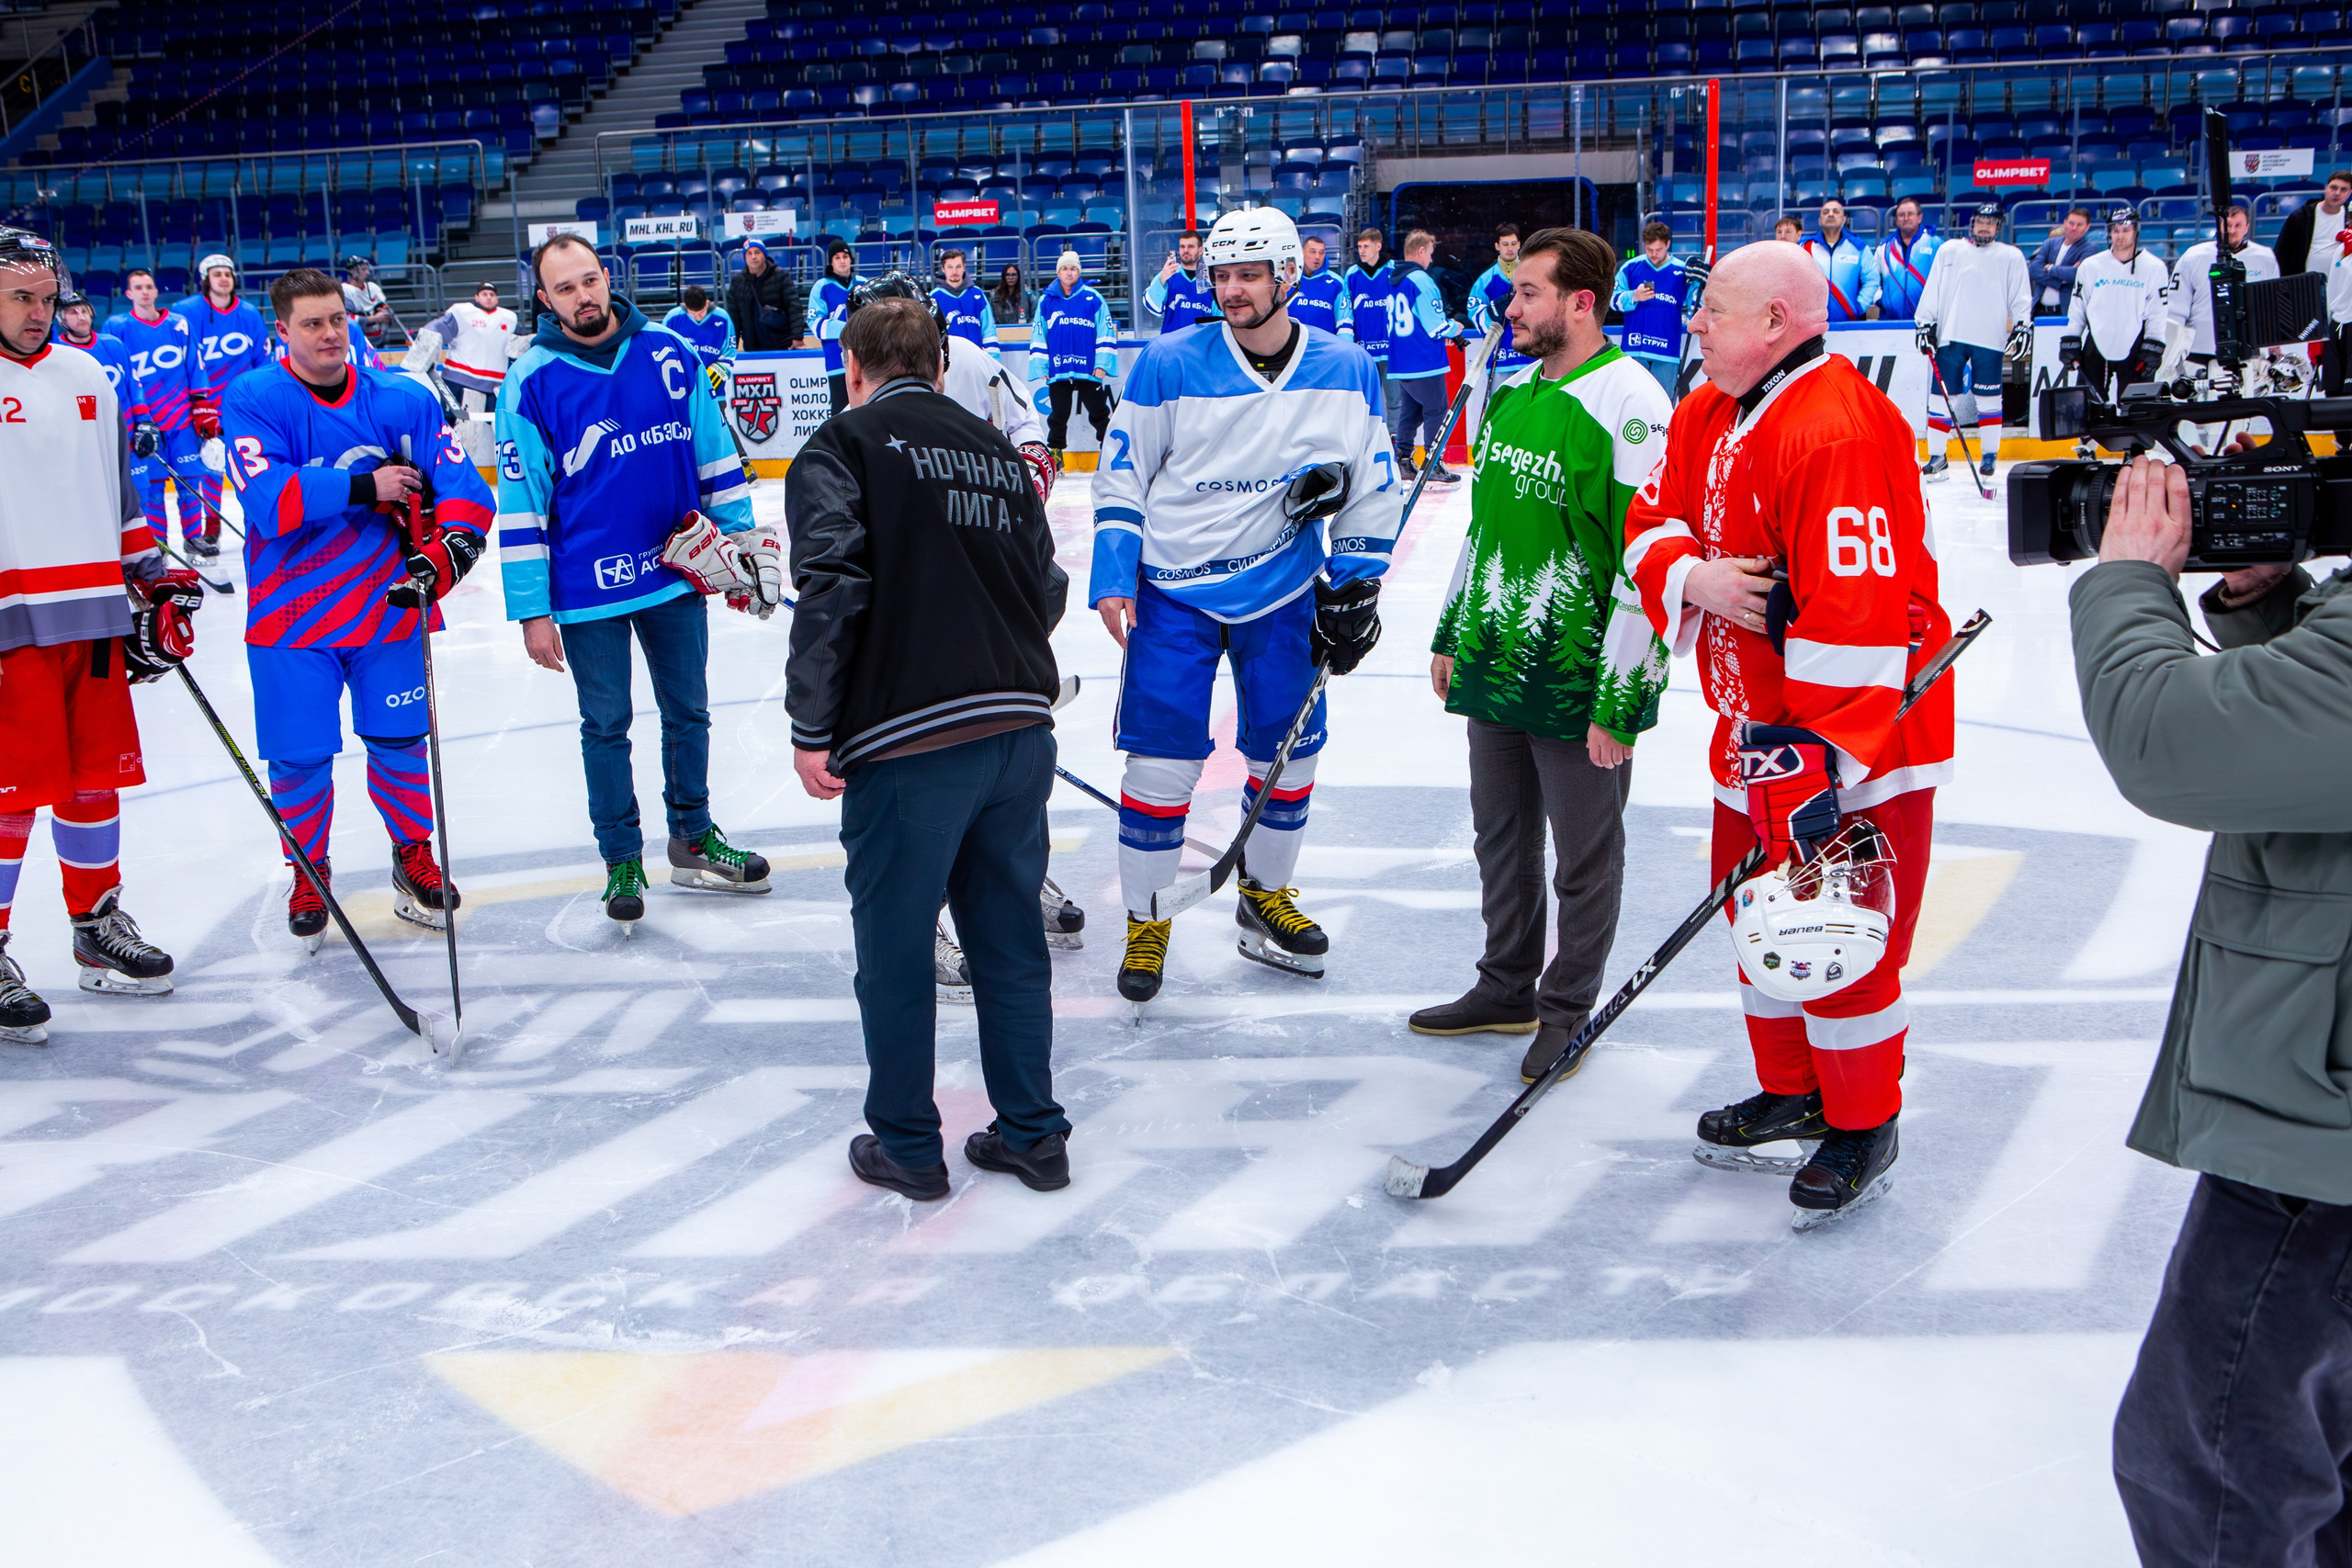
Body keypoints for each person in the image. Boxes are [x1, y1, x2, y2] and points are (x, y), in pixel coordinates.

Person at [1620, 240, 1953, 1226]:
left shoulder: (1838, 428)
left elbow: (1855, 617)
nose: (1692, 324)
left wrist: (1818, 766)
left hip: (1847, 747)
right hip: (1752, 729)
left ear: (1775, 323)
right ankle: (1796, 1087)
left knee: (1839, 929)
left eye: (1712, 309)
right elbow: (1652, 518)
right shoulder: (1707, 407)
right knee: (1758, 919)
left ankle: (1862, 1120)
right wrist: (1698, 580)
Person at [2069, 453, 2352, 1568]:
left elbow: (2169, 743)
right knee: (2314, 1444)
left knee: (2207, 1462)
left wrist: (2127, 580)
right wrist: (2264, 603)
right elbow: (2315, 726)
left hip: (2318, 1135)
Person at [784, 296, 1074, 1202]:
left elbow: (833, 589)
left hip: (911, 746)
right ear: (941, 367)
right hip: (1017, 732)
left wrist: (810, 728)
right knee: (1009, 942)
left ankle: (909, 1146)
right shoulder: (996, 452)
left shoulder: (842, 446)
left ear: (851, 366)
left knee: (898, 949)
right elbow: (1047, 583)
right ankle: (1033, 1134)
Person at [1090, 209, 1401, 1004]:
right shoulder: (1168, 362)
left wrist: (1356, 585)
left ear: (1286, 277)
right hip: (1173, 592)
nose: (1231, 290)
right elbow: (1123, 474)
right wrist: (1114, 573)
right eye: (1221, 276)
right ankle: (1148, 918)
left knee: (1288, 756)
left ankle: (1263, 896)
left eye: (1248, 275)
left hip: (1285, 590)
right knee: (1160, 764)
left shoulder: (1346, 368)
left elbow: (1370, 487)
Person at [1416, 226, 1674, 1083]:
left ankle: (1568, 1014)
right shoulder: (1514, 393)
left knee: (1584, 854)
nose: (1510, 305)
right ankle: (1506, 986)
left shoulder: (1634, 405)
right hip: (1495, 656)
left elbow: (1651, 563)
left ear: (1579, 302)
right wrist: (1453, 630)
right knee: (1502, 838)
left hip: (1579, 670)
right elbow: (1484, 524)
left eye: (1528, 292)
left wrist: (1622, 696)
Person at [495, 233, 775, 924]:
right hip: (587, 589)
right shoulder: (529, 381)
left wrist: (739, 550)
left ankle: (692, 835)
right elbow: (522, 500)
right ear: (545, 299)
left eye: (589, 279)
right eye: (565, 288)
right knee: (606, 724)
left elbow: (715, 460)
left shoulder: (671, 353)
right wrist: (533, 610)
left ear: (605, 277)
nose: (583, 296)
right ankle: (622, 857)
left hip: (679, 573)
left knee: (690, 712)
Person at [219, 268, 492, 944]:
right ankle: (309, 869)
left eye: (337, 319)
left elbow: (463, 488)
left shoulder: (399, 396)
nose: (330, 333)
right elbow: (268, 502)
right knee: (299, 756)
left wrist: (451, 547)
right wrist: (366, 486)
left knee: (401, 744)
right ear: (281, 331)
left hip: (388, 609)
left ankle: (411, 857)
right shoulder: (254, 399)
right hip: (291, 619)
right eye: (312, 323)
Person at [842, 272, 1080, 980]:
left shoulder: (972, 361)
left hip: (994, 575)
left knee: (1004, 742)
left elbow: (1032, 436)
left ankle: (1018, 874)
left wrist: (1012, 499)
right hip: (925, 600)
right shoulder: (860, 384)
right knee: (940, 766)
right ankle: (936, 918)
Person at [0, 228, 191, 1044]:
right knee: (8, 792)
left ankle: (95, 925)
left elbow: (118, 496)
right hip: (11, 621)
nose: (39, 313)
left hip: (91, 611)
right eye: (20, 297)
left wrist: (151, 574)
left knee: (90, 780)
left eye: (46, 299)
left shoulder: (89, 375)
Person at [1916, 202, 2031, 479]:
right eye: (1980, 220)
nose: (1984, 226)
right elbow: (1933, 287)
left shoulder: (2011, 256)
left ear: (1999, 227)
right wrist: (1925, 323)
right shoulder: (1950, 250)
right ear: (1972, 223)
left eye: (1990, 222)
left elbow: (2021, 297)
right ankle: (1938, 457)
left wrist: (2022, 326)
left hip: (1989, 338)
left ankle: (1989, 455)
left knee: (1989, 399)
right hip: (1949, 336)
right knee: (1941, 398)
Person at [101, 266, 207, 562]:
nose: (145, 292)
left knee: (190, 483)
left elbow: (194, 367)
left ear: (156, 290)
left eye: (148, 286)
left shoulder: (179, 324)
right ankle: (160, 544)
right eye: (138, 287)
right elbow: (118, 377)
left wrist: (201, 408)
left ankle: (193, 538)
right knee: (155, 491)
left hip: (182, 421)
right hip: (146, 424)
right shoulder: (116, 327)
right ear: (128, 294)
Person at [173, 253, 271, 559]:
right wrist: (196, 403)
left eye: (227, 273)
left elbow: (262, 360)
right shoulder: (186, 312)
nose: (224, 279)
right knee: (209, 468)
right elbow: (182, 360)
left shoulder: (250, 313)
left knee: (252, 465)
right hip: (203, 405)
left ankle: (257, 523)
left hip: (242, 404)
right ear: (206, 279)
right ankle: (211, 525)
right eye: (216, 274)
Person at [406, 280, 519, 466]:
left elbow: (518, 346)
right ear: (476, 297)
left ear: (497, 298)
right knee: (456, 433)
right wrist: (423, 348)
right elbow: (437, 328)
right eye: (484, 294)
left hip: (497, 386)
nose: (488, 297)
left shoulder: (509, 318)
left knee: (505, 432)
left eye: (492, 294)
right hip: (460, 382)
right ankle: (440, 468)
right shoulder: (462, 312)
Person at [2065, 209, 2171, 406]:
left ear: (2136, 231)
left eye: (2126, 230)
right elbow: (2078, 305)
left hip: (2135, 342)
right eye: (2115, 230)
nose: (2120, 235)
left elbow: (2157, 311)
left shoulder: (2154, 267)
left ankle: (2134, 438)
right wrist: (2071, 339)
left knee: (2137, 409)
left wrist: (2154, 345)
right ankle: (2091, 439)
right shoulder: (2091, 265)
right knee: (2088, 408)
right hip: (2096, 341)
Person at [1388, 229, 1464, 484]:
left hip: (1401, 361)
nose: (1431, 260)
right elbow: (1436, 326)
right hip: (1423, 361)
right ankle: (1433, 462)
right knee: (1436, 410)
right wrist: (1455, 327)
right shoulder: (1421, 279)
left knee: (1410, 413)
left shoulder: (1393, 278)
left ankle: (1403, 460)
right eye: (1430, 254)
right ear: (1421, 252)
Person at [2170, 199, 2281, 373]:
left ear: (2247, 227)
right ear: (2219, 226)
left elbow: (2271, 304)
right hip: (2199, 349)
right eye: (2227, 225)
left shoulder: (2265, 257)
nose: (2232, 231)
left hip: (2247, 349)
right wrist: (2172, 347)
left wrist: (2274, 344)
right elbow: (2175, 306)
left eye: (2238, 225)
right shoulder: (2194, 256)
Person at [1035, 249, 1117, 469]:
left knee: (1100, 412)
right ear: (1058, 272)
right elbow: (1039, 333)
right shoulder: (1046, 300)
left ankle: (1110, 452)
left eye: (1073, 268)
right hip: (1059, 369)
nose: (1069, 272)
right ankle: (1055, 455)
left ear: (1078, 272)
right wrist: (1043, 364)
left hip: (1088, 369)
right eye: (1064, 268)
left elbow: (1106, 331)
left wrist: (1102, 364)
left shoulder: (1093, 298)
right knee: (1058, 415)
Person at [1611, 221, 1691, 400]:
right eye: (1649, 249)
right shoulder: (1631, 267)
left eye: (1658, 249)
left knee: (1662, 406)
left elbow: (1697, 306)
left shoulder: (1682, 271)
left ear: (1668, 244)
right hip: (1635, 349)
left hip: (1667, 352)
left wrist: (1702, 282)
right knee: (1632, 404)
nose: (1654, 254)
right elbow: (1612, 300)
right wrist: (1633, 296)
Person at [1466, 221, 1533, 435]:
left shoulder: (1531, 273)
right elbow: (1474, 311)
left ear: (1520, 244)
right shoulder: (1486, 279)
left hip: (1529, 354)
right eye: (1505, 244)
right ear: (1497, 246)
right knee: (1500, 404)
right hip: (1500, 355)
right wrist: (1491, 317)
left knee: (1530, 404)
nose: (1510, 248)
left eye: (1514, 243)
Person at [1347, 227, 1398, 436]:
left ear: (1379, 246)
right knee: (1366, 401)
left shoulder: (1394, 270)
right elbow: (1346, 310)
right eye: (1359, 247)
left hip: (1390, 350)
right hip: (1364, 350)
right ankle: (1369, 438)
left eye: (1366, 246)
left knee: (1395, 400)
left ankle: (1395, 440)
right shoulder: (1352, 274)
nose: (1362, 251)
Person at [1860, 197, 1940, 321]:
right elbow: (1874, 279)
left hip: (1926, 320)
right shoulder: (1885, 247)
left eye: (1910, 214)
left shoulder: (1935, 243)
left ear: (1920, 217)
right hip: (1889, 320)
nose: (1906, 218)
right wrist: (1880, 300)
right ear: (1896, 220)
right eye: (1901, 215)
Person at [807, 241, 864, 414]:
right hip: (836, 360)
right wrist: (851, 328)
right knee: (840, 410)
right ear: (831, 262)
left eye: (845, 256)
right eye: (837, 257)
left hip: (866, 358)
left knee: (866, 406)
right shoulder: (821, 287)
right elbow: (815, 324)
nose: (842, 261)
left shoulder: (863, 283)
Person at [726, 237, 802, 354]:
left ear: (764, 254)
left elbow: (794, 307)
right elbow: (734, 318)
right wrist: (730, 348)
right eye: (749, 253)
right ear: (745, 257)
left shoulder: (781, 276)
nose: (753, 257)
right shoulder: (738, 282)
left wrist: (797, 337)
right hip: (752, 348)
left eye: (757, 252)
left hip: (781, 345)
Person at [1801, 198, 1868, 322]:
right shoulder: (1804, 247)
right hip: (1813, 324)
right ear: (1819, 220)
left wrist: (1859, 307)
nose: (1830, 214)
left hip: (1850, 322)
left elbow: (1871, 280)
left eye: (1835, 211)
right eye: (1826, 212)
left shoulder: (1858, 247)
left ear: (1844, 219)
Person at [2273, 168, 2352, 275]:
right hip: (2304, 283)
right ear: (2326, 188)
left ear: (2349, 193)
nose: (2337, 193)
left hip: (2338, 282)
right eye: (2334, 188)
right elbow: (2281, 253)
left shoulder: (2349, 218)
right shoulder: (2300, 217)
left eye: (2343, 190)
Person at [930, 247, 1000, 356]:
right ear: (943, 269)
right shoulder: (934, 297)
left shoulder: (977, 294)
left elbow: (989, 332)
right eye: (949, 267)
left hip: (977, 360)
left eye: (958, 266)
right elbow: (931, 336)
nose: (954, 271)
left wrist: (993, 363)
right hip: (949, 363)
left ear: (964, 267)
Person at [2030, 206, 2098, 317]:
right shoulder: (2049, 243)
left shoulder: (2090, 249)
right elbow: (2034, 270)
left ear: (2087, 227)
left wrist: (2050, 268)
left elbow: (2076, 274)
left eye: (2079, 224)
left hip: (2066, 312)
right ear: (2065, 222)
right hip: (2038, 310)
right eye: (2071, 223)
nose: (2074, 228)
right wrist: (2059, 281)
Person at [1144, 229, 1216, 333]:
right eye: (1182, 247)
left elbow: (1220, 318)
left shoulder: (1209, 279)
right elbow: (1153, 307)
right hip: (1172, 343)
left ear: (1200, 250)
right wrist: (1162, 279)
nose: (1185, 250)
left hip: (1201, 344)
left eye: (1190, 246)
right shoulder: (1167, 275)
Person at [1286, 233, 1351, 339]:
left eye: (1322, 253)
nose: (1317, 257)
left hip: (1325, 348)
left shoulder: (1337, 282)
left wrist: (1345, 350)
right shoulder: (1288, 280)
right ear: (1302, 252)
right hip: (1292, 347)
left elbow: (1344, 321)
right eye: (1313, 252)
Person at [341, 256, 393, 348]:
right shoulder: (344, 290)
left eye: (367, 269)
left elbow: (387, 308)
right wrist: (374, 318)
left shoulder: (373, 287)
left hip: (379, 338)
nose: (367, 272)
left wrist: (384, 312)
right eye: (363, 269)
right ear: (353, 271)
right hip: (357, 342)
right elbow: (346, 319)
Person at [989, 262, 1031, 326]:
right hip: (1000, 331)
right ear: (1003, 276)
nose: (1011, 277)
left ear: (1018, 276)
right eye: (1007, 275)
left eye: (1014, 274)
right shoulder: (994, 295)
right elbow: (991, 317)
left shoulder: (1027, 294)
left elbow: (1034, 315)